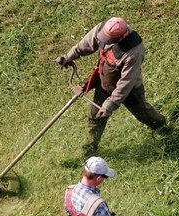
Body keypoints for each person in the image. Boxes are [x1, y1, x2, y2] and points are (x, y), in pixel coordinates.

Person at [56, 17, 169, 156]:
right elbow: (87, 43)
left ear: (121, 36)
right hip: (104, 82)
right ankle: (90, 148)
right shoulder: (106, 26)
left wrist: (111, 103)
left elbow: (126, 83)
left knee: (143, 113)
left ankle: (164, 130)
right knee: (95, 116)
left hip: (129, 90)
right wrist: (68, 56)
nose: (104, 42)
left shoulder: (134, 51)